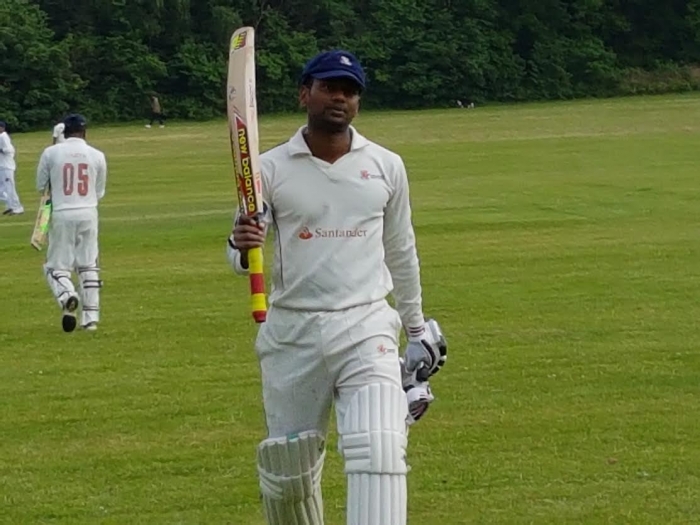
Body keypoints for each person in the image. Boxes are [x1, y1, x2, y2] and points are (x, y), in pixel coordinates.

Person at [227, 50, 446, 525]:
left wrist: (415, 327)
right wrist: (242, 245)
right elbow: (241, 257)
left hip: (366, 325)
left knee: (379, 449)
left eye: (350, 91)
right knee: (289, 477)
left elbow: (401, 249)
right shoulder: (268, 169)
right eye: (329, 87)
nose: (340, 98)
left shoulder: (386, 165)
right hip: (292, 332)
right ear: (305, 94)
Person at [36, 114, 107, 333]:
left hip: (62, 213)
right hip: (89, 213)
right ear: (84, 132)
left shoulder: (50, 153)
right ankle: (91, 319)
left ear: (64, 132)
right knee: (88, 265)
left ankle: (67, 295)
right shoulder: (97, 155)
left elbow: (41, 186)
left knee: (56, 267)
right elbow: (99, 192)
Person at [0, 120, 24, 216]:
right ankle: (10, 205)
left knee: (10, 187)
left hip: (6, 166)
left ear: (2, 128)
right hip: (2, 166)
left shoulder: (3, 136)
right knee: (2, 189)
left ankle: (17, 207)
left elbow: (9, 150)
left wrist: (1, 150)